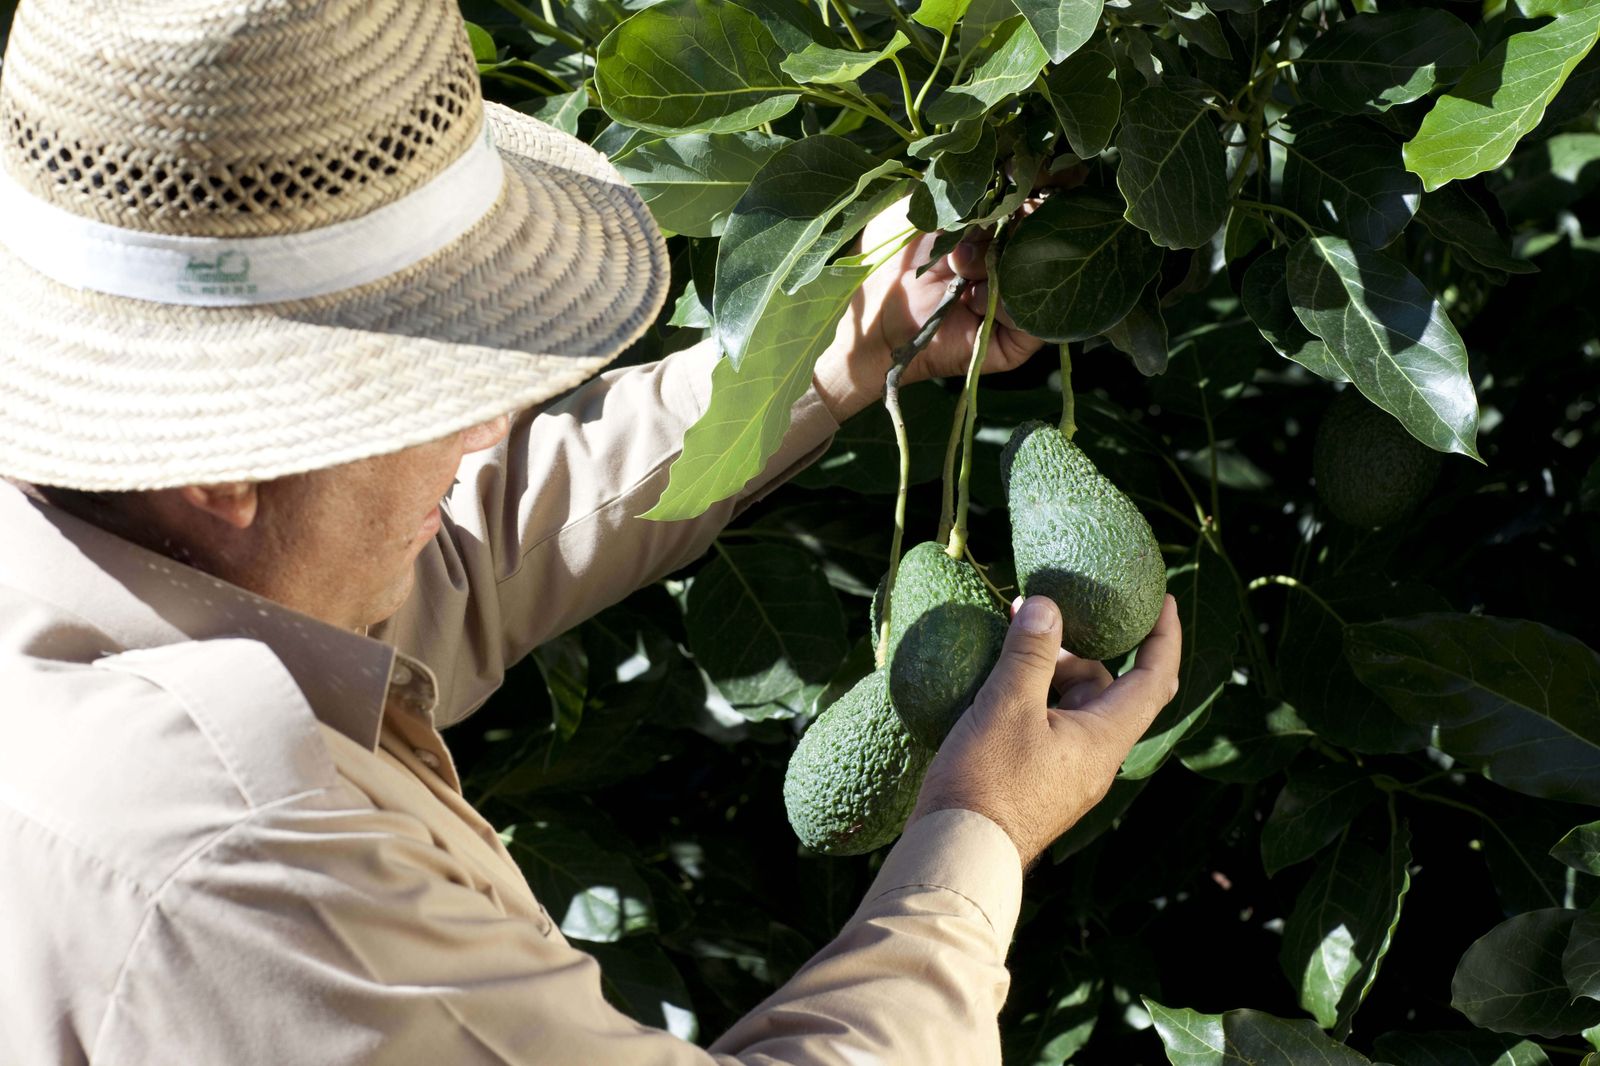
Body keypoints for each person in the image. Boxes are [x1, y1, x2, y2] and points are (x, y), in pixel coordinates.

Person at [0, 1, 1182, 1063]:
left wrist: (841, 345)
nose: (493, 421)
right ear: (229, 461)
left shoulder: (100, 554)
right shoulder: (251, 862)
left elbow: (457, 555)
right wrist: (977, 836)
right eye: (433, 380)